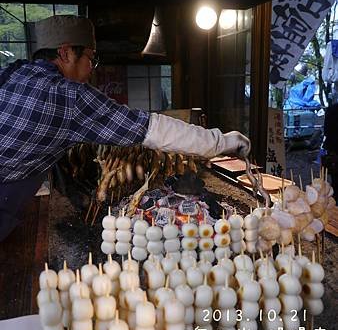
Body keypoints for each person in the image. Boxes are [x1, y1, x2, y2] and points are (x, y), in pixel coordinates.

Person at [0, 15, 251, 242]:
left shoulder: (12, 73)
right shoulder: (69, 97)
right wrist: (220, 142)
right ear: (65, 53)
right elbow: (152, 129)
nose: (91, 68)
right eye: (91, 58)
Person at [323, 102, 338, 204]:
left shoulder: (331, 109)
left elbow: (326, 131)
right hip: (334, 149)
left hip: (333, 149)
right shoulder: (332, 109)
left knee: (336, 180)